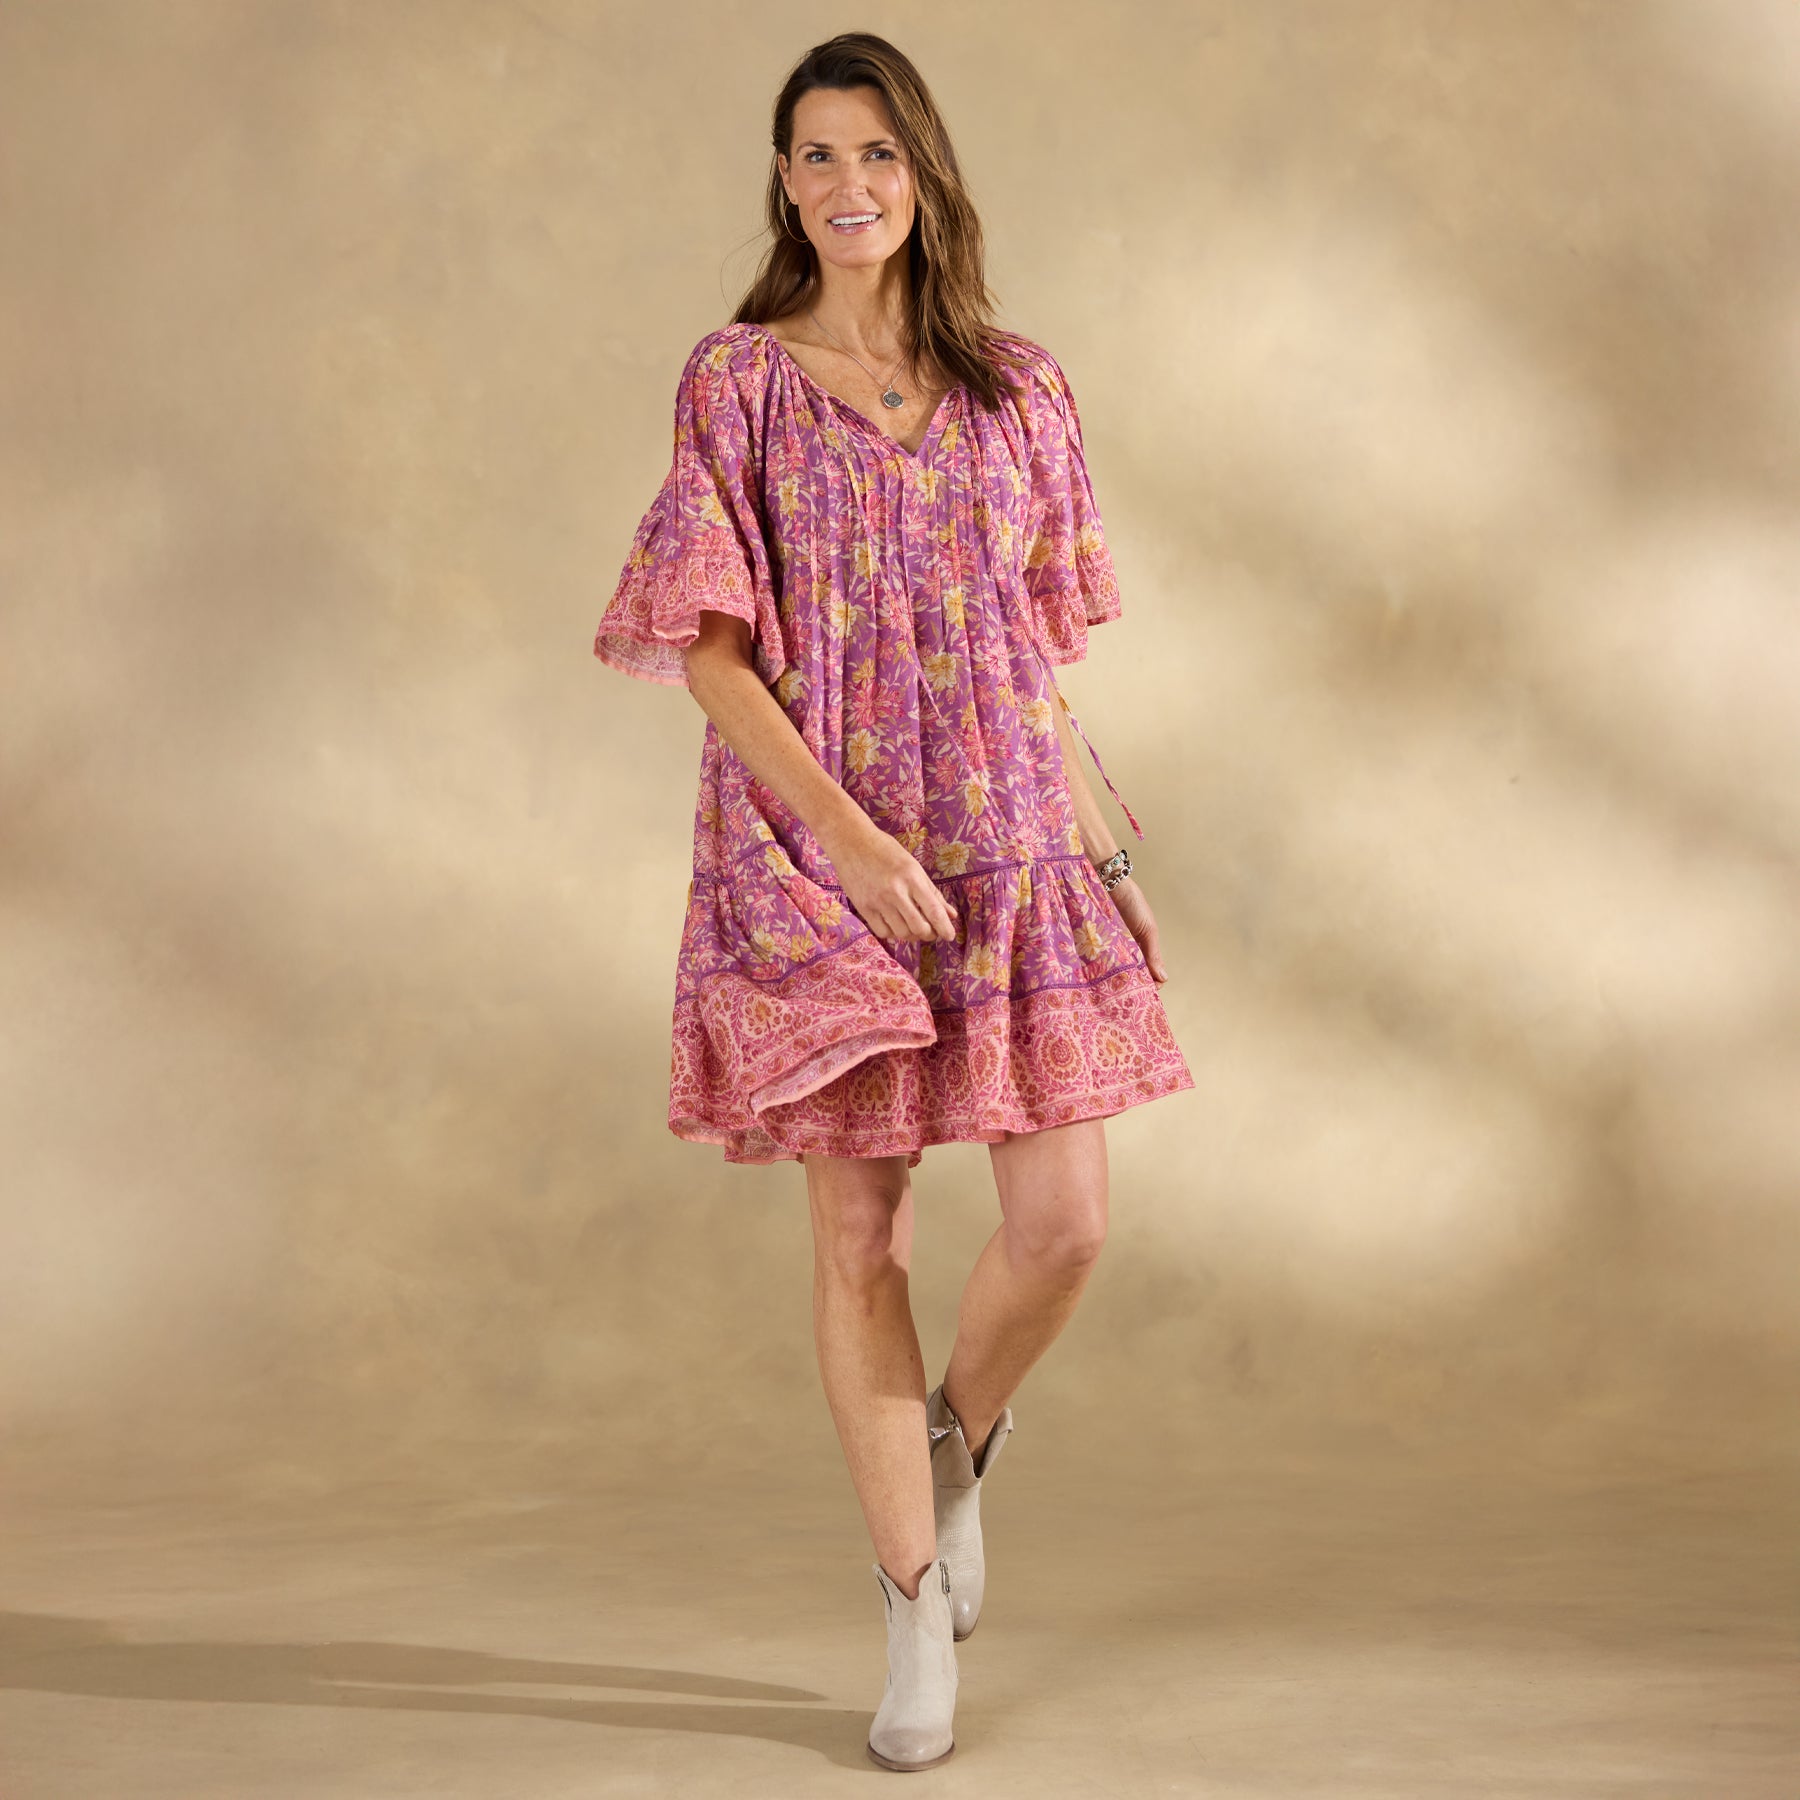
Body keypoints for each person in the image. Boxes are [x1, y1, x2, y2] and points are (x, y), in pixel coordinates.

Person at [593, 31, 1195, 1772]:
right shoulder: (738, 381)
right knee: (863, 1241)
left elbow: (1032, 658)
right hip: (817, 857)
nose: (848, 185)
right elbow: (709, 655)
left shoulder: (1022, 389)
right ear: (784, 187)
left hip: (1009, 845)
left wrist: (1104, 857)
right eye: (816, 156)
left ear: (923, 175)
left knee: (1064, 1223)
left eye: (876, 154)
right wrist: (851, 842)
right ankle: (911, 1603)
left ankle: (947, 1438)